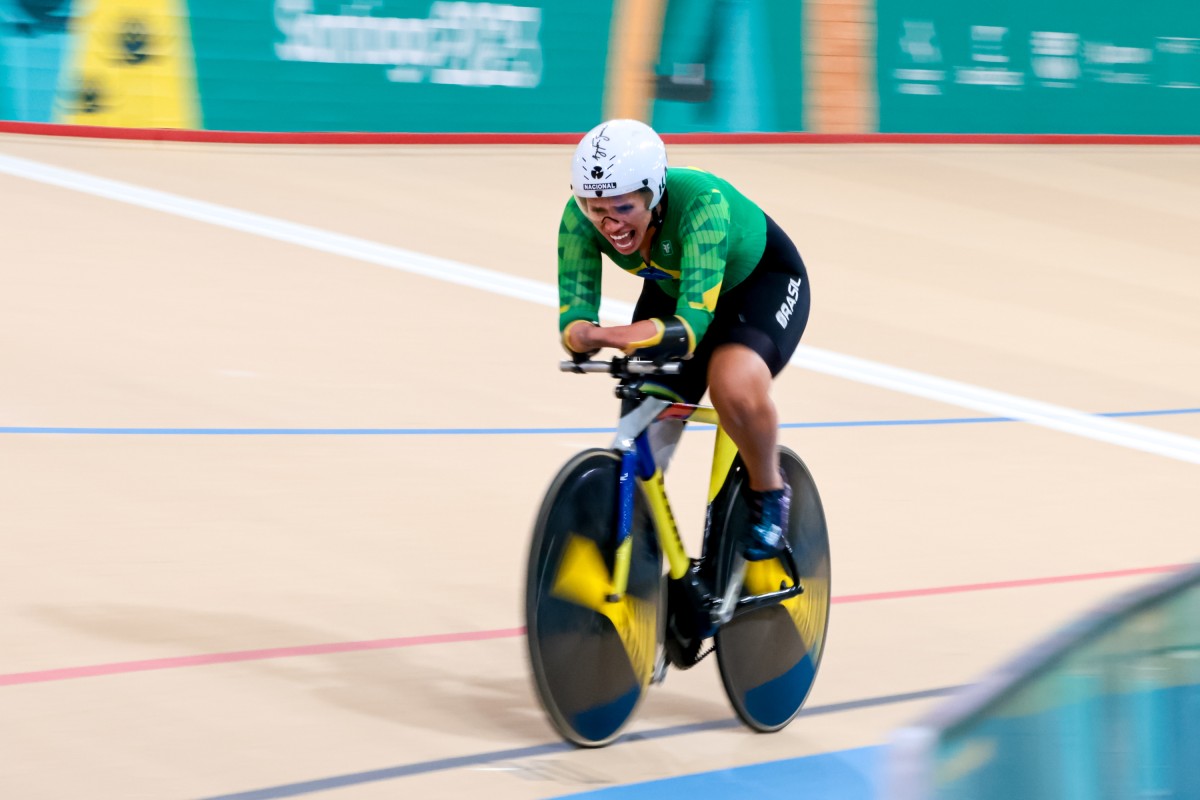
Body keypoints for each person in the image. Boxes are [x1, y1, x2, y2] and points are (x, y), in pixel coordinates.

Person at [557, 118, 810, 561]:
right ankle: (642, 562)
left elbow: (692, 325)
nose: (608, 222)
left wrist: (605, 335)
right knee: (640, 436)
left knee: (732, 384)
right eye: (594, 207)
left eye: (622, 206)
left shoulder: (701, 203)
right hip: (674, 291)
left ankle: (769, 490)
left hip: (760, 285)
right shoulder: (580, 219)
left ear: (654, 194)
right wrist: (582, 332)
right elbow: (575, 315)